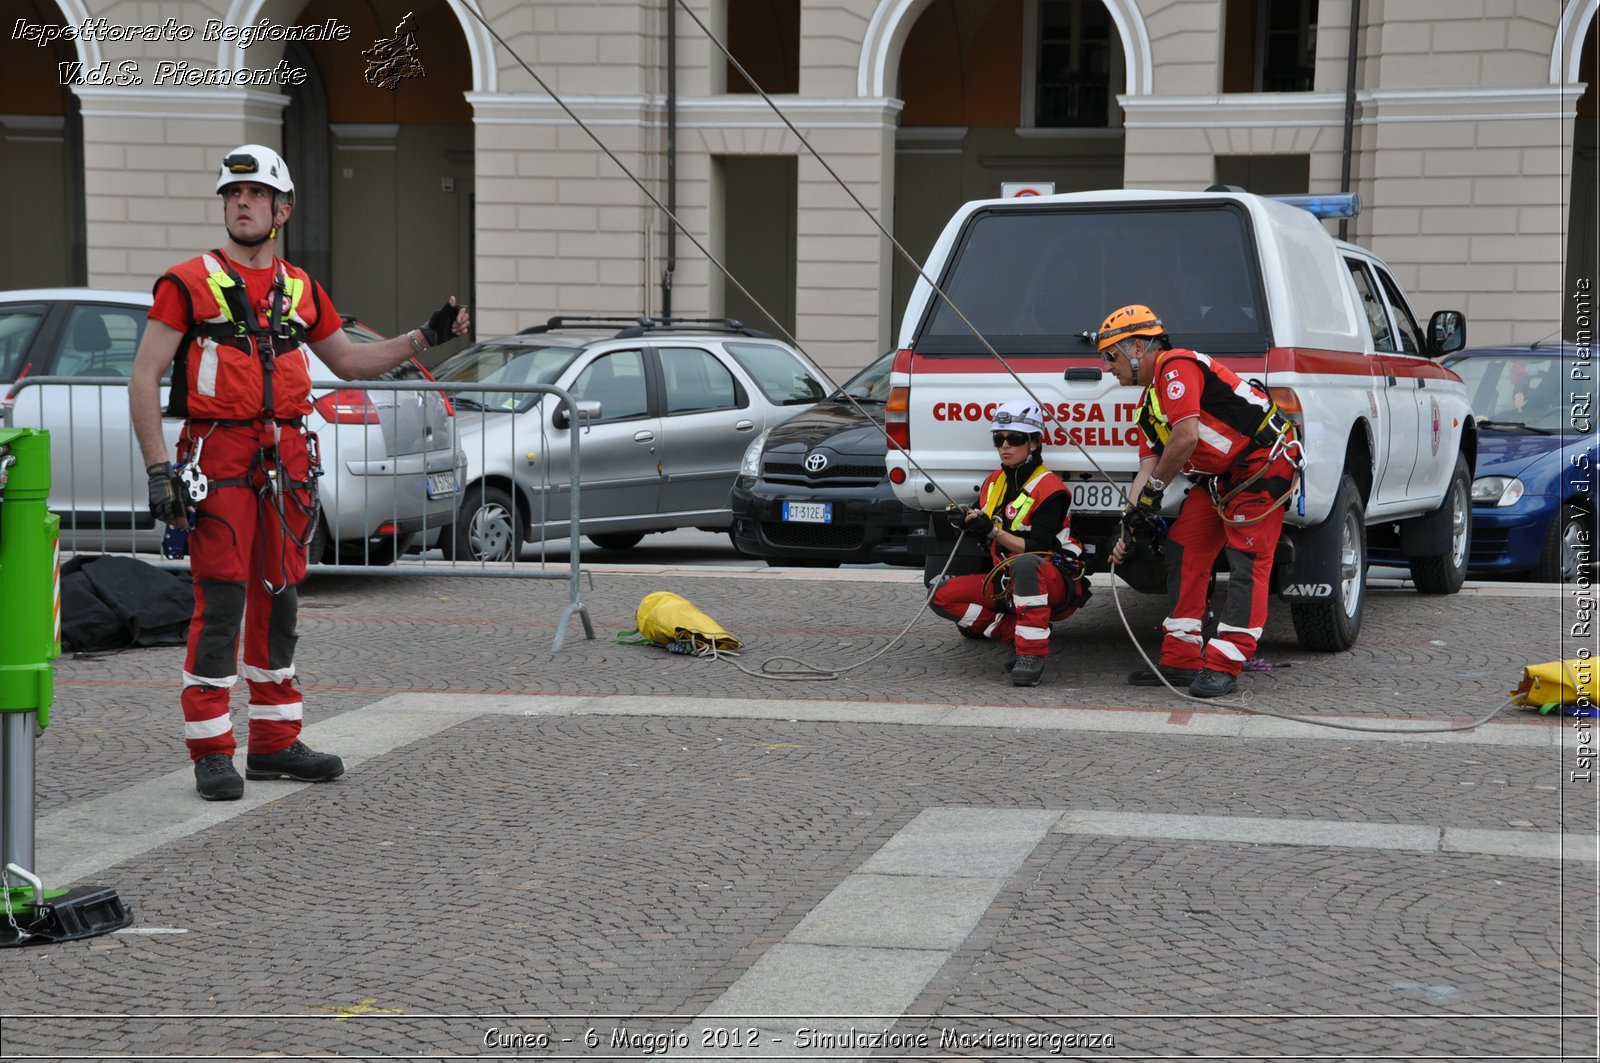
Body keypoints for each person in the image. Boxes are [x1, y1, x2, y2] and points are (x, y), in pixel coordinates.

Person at [128, 144, 471, 800]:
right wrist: (156, 469)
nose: (242, 203)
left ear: (282, 209)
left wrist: (424, 336)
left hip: (285, 462)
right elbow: (143, 376)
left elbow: (349, 362)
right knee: (223, 598)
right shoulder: (186, 283)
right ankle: (211, 748)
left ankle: (277, 742)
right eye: (233, 194)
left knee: (280, 597)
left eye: (256, 194)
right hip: (218, 457)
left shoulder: (300, 288)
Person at [1101, 303, 1301, 698]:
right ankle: (1181, 656)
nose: (1108, 368)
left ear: (1138, 347)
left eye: (1111, 356)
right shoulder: (1147, 408)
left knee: (1247, 560)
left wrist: (1154, 494)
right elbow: (1147, 470)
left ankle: (1226, 663)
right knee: (1184, 545)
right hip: (1224, 478)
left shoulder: (1176, 365)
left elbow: (1186, 437)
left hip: (1263, 464)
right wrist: (1129, 520)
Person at [931, 400, 1089, 687]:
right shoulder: (993, 482)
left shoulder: (1052, 489)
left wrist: (992, 531)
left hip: (1050, 578)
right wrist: (964, 520)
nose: (1005, 446)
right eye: (998, 439)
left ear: (1034, 443)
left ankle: (1031, 654)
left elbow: (1036, 547)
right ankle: (1013, 632)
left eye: (1015, 439)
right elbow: (986, 527)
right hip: (1005, 579)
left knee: (1027, 563)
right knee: (940, 595)